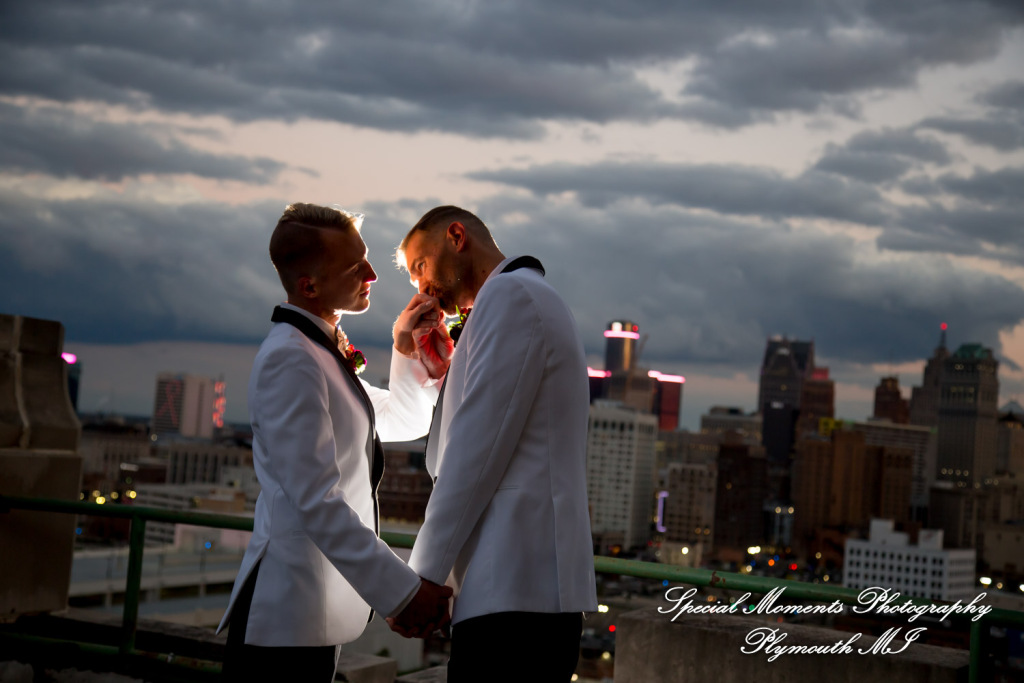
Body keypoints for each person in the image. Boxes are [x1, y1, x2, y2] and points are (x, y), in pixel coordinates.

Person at [217, 203, 452, 682]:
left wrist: (404, 348)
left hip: (312, 613)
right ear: (309, 285)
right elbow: (317, 502)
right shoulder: (292, 359)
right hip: (287, 615)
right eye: (355, 265)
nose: (372, 273)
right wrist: (402, 592)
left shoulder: (316, 352)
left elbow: (402, 419)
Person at [393, 206, 598, 681]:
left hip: (514, 592)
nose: (419, 286)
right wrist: (428, 360)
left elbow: (473, 453)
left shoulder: (511, 297)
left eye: (420, 265)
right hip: (519, 592)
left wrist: (422, 579)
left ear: (457, 236)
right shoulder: (520, 299)